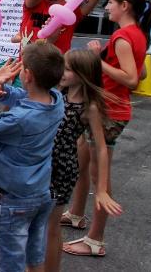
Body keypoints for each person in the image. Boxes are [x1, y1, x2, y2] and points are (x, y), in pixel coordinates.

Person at [63, 0, 151, 258]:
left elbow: (131, 79)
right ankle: (76, 213)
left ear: (124, 5)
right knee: (81, 162)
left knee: (99, 176)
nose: (107, 7)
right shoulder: (136, 34)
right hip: (105, 108)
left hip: (109, 111)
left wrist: (96, 59)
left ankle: (96, 239)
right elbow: (141, 72)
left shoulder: (123, 36)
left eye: (111, 2)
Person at [0, 42, 65, 272]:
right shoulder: (56, 100)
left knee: (10, 264)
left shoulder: (19, 119)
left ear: (27, 75)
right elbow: (21, 96)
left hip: (17, 200)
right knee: (34, 258)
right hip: (42, 193)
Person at [44, 49, 122, 271]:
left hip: (62, 170)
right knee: (39, 225)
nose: (62, 72)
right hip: (43, 165)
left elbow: (101, 149)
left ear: (83, 74)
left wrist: (102, 190)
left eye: (68, 69)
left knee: (50, 228)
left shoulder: (90, 108)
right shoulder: (56, 94)